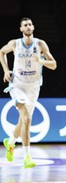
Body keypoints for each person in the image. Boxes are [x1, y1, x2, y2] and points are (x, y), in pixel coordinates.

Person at [0, 17, 57, 168]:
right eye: (25, 25)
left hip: (34, 86)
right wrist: (6, 71)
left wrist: (41, 61)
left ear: (33, 27)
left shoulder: (40, 44)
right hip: (17, 85)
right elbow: (1, 52)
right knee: (26, 119)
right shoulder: (15, 43)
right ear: (21, 29)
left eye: (30, 24)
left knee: (23, 120)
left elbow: (54, 65)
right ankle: (27, 157)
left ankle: (10, 142)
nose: (28, 26)